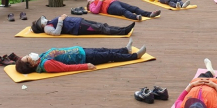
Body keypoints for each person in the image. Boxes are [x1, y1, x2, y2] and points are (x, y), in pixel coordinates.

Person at [14, 39, 147, 74]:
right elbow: (65, 68)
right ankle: (135, 56)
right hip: (84, 58)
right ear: (31, 65)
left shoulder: (40, 59)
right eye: (27, 57)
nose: (29, 55)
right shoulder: (46, 65)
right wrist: (85, 66)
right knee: (109, 55)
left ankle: (125, 50)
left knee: (104, 50)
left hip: (80, 51)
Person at [30, 14, 135, 36]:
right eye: (41, 22)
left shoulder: (49, 22)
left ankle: (122, 29)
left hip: (78, 21)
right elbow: (56, 33)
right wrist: (61, 20)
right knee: (100, 28)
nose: (44, 20)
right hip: (77, 27)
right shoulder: (47, 28)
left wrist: (63, 17)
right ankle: (123, 31)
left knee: (102, 24)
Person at [86, 0, 161, 20]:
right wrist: (100, 1)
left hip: (114, 2)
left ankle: (150, 14)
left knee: (133, 8)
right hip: (109, 7)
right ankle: (135, 17)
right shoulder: (91, 5)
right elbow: (95, 11)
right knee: (123, 10)